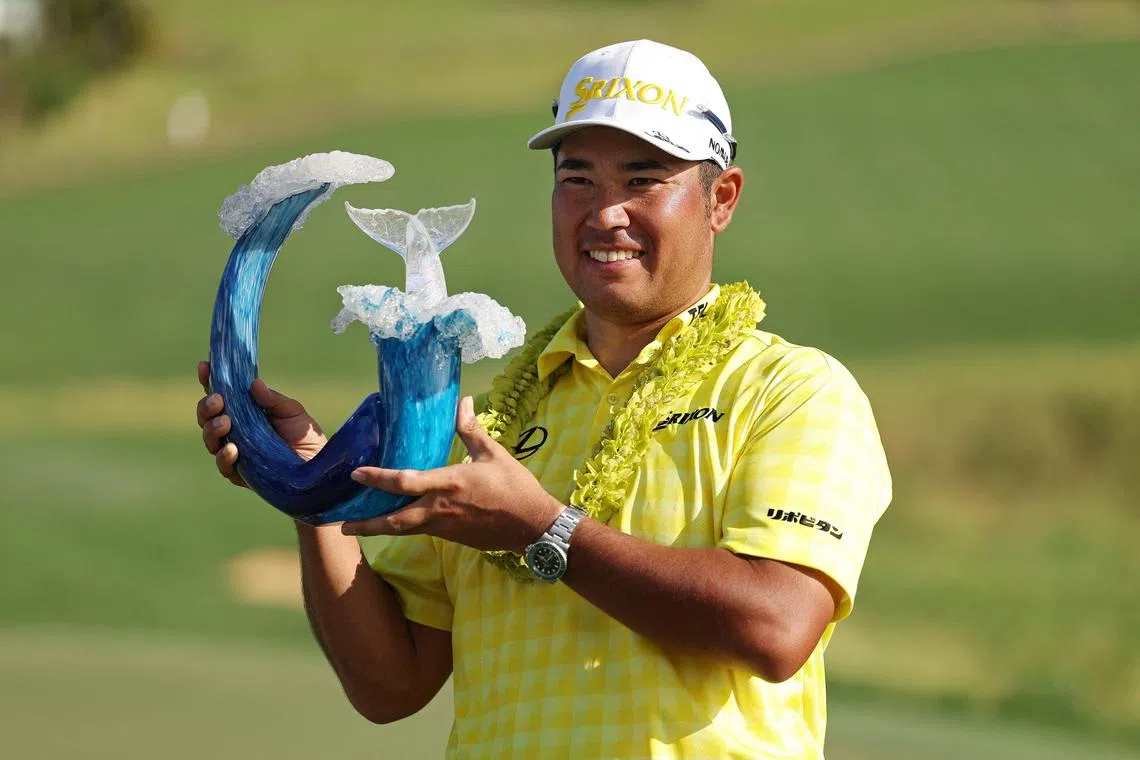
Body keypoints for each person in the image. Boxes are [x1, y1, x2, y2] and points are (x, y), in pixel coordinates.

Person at [196, 39, 891, 759]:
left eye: (643, 180)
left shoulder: (793, 392)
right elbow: (390, 686)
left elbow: (775, 627)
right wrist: (314, 481)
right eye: (578, 179)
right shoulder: (491, 422)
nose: (605, 214)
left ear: (721, 199)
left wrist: (543, 530)